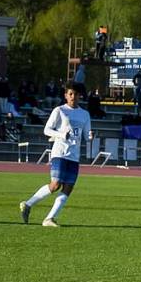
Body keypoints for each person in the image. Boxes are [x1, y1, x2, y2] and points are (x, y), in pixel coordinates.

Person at [18, 86, 92, 227]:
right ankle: (28, 204)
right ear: (66, 95)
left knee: (68, 188)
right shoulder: (60, 110)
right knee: (55, 185)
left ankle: (49, 219)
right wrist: (62, 134)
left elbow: (87, 135)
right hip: (60, 153)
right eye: (70, 94)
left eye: (76, 94)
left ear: (79, 96)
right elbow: (47, 130)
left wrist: (90, 137)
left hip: (74, 156)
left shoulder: (85, 114)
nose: (73, 96)